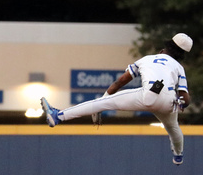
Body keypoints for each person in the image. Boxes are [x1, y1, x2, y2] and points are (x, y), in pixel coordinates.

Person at [40, 33, 193, 165]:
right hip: (168, 101)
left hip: (149, 94)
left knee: (103, 102)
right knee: (173, 128)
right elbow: (185, 98)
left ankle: (58, 116)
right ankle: (178, 155)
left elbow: (119, 82)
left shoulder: (147, 59)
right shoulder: (179, 67)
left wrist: (103, 102)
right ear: (181, 55)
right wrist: (180, 104)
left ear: (164, 48)